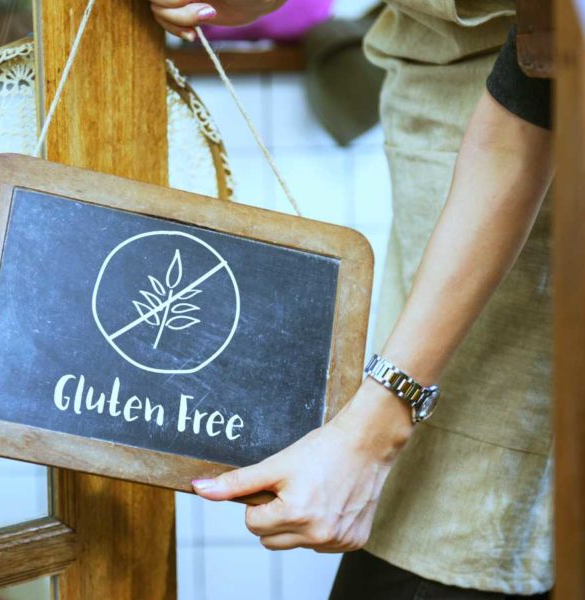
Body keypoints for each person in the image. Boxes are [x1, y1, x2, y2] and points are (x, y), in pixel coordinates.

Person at [149, 0, 553, 597]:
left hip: (536, 187)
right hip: (448, 167)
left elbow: (528, 112)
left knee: (464, 532)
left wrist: (375, 431)